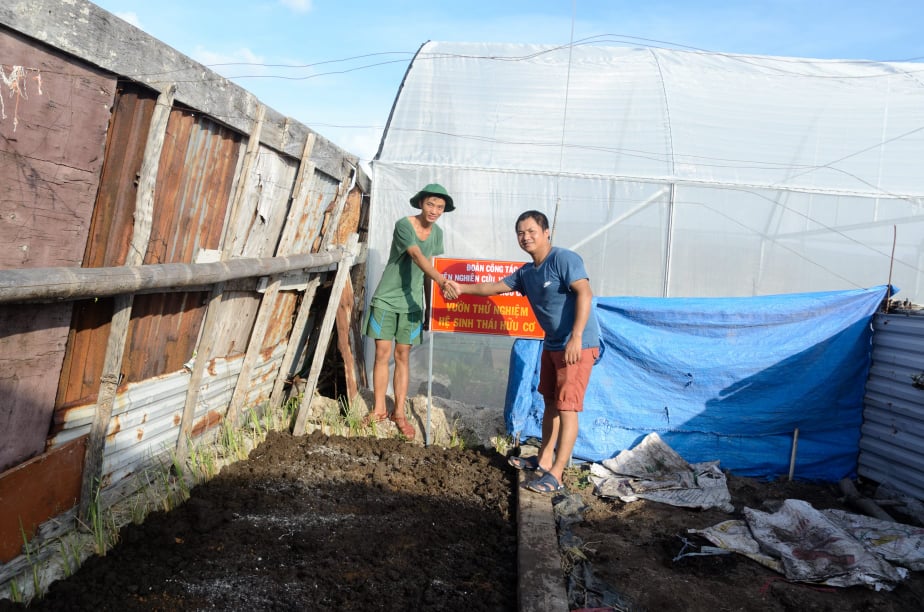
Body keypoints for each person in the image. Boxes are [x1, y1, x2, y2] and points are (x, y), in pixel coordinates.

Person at [446, 210, 600, 493]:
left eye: (531, 231)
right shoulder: (527, 273)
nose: (525, 237)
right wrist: (461, 287)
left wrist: (576, 337)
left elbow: (585, 293)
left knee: (567, 407)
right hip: (552, 343)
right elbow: (492, 287)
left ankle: (557, 472)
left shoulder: (563, 259)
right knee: (551, 402)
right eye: (520, 232)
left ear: (546, 232)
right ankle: (542, 460)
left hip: (577, 343)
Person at [363, 183, 459, 439]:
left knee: (403, 355)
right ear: (420, 203)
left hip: (413, 303)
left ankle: (400, 414)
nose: (435, 210)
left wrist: (428, 306)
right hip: (387, 298)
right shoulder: (403, 225)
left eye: (440, 207)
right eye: (430, 204)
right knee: (382, 353)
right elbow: (416, 256)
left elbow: (427, 270)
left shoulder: (437, 234)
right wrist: (443, 281)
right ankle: (379, 408)